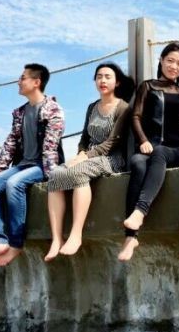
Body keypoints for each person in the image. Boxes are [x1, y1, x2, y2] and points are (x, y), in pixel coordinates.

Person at [118, 42, 179, 262]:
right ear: (161, 61)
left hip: (176, 151)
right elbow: (135, 116)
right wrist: (143, 140)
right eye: (170, 61)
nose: (174, 66)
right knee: (137, 163)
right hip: (149, 148)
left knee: (160, 152)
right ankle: (131, 238)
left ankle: (140, 211)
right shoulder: (148, 86)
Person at [0, 63, 65, 267]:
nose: (18, 81)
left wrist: (52, 175)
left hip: (44, 165)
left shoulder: (53, 109)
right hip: (24, 164)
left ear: (36, 82)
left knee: (14, 184)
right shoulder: (20, 113)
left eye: (23, 78)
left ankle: (16, 243)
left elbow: (51, 146)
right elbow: (10, 145)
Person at [44, 63, 134, 261]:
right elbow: (84, 138)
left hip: (111, 158)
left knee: (78, 173)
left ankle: (76, 234)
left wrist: (84, 157)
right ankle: (56, 239)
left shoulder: (123, 108)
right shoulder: (92, 107)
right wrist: (80, 153)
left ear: (117, 82)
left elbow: (112, 142)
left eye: (108, 77)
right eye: (99, 76)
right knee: (55, 175)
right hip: (87, 155)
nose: (103, 80)